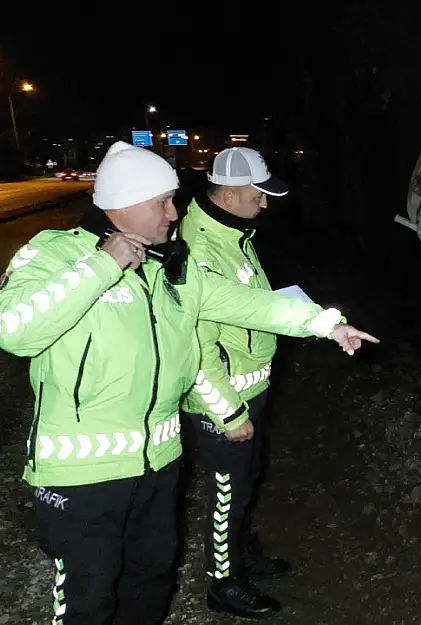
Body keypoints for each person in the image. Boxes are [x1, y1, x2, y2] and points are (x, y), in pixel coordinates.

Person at [0, 141, 378, 625]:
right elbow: (10, 327)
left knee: (151, 580)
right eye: (163, 203)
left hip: (158, 463)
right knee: (89, 598)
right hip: (84, 475)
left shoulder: (169, 267)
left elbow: (248, 303)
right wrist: (102, 266)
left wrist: (326, 323)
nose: (174, 213)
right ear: (125, 204)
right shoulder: (55, 252)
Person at [175, 147, 299, 618]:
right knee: (228, 493)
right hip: (223, 402)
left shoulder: (231, 231)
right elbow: (197, 347)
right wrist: (228, 412)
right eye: (258, 195)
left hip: (251, 387)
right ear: (229, 194)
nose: (265, 204)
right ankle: (222, 585)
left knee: (246, 481)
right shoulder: (200, 251)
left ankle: (240, 559)